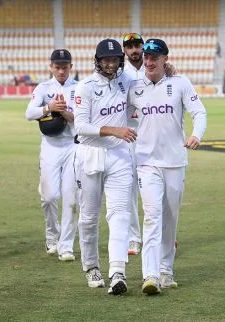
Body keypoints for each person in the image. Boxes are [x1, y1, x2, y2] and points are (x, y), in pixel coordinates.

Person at [127, 38, 207, 295]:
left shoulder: (180, 83)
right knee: (151, 216)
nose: (149, 62)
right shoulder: (134, 87)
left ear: (165, 59)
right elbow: (115, 108)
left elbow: (199, 112)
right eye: (147, 58)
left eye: (155, 58)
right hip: (146, 162)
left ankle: (166, 271)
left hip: (175, 162)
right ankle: (149, 275)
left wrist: (197, 135)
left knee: (170, 218)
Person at [74, 39, 137, 295]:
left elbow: (147, 89)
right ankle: (91, 266)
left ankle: (118, 272)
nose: (111, 64)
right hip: (90, 154)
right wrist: (114, 130)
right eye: (106, 60)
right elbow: (80, 127)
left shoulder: (126, 81)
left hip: (119, 155)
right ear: (97, 61)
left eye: (115, 60)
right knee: (89, 217)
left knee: (120, 213)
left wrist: (168, 73)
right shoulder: (85, 87)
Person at [25, 49, 78, 261]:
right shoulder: (43, 88)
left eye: (65, 67)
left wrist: (65, 112)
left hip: (73, 146)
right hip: (50, 146)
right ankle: (51, 234)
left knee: (71, 199)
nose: (61, 70)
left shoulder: (79, 88)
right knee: (49, 197)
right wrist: (49, 107)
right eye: (57, 67)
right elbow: (29, 113)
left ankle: (66, 245)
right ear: (51, 67)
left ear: (71, 67)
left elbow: (83, 118)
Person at [122, 32, 145, 257]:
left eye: (137, 45)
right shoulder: (121, 74)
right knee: (129, 190)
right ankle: (134, 238)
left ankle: (161, 235)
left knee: (156, 188)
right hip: (129, 135)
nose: (134, 49)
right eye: (129, 46)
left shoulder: (153, 68)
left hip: (152, 135)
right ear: (124, 50)